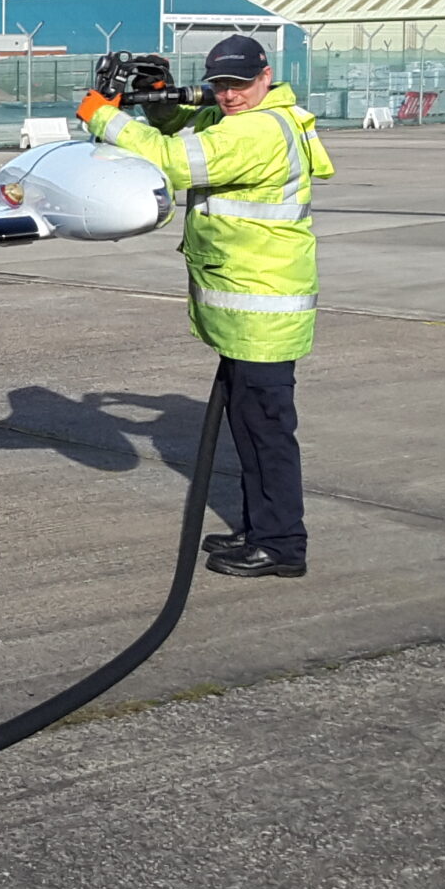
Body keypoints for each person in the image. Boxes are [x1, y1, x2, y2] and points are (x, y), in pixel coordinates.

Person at [76, 35, 334, 578]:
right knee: (249, 429)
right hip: (249, 310)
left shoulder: (261, 129)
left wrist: (104, 116)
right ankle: (258, 527)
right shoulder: (244, 119)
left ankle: (283, 545)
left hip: (263, 311)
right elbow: (187, 132)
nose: (230, 95)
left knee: (266, 433)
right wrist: (160, 99)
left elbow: (175, 161)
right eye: (220, 85)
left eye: (240, 84)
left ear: (266, 76)